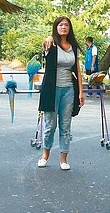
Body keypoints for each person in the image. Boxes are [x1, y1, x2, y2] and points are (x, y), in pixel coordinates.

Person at [38, 16, 85, 170]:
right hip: (51, 90)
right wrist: (49, 37)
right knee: (50, 125)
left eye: (66, 25)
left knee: (65, 125)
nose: (63, 27)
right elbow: (45, 44)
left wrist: (81, 92)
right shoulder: (51, 44)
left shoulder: (73, 47)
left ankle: (64, 159)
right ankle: (45, 155)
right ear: (56, 27)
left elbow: (77, 70)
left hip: (68, 90)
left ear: (69, 28)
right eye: (60, 25)